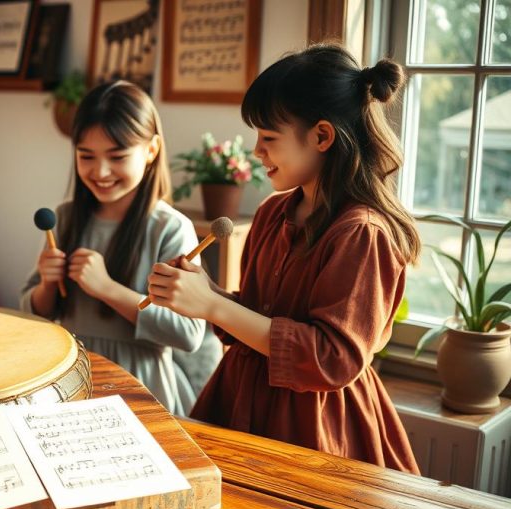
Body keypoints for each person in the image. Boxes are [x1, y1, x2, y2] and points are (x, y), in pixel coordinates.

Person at [147, 44, 421, 473]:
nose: (257, 151)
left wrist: (213, 306)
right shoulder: (273, 213)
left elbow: (332, 358)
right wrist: (207, 293)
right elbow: (261, 316)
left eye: (269, 138)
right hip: (240, 402)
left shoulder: (363, 233)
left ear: (322, 136)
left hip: (314, 427)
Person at [21, 81, 205, 415]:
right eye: (86, 156)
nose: (101, 172)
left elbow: (189, 334)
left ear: (151, 150)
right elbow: (32, 314)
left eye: (117, 156)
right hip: (71, 382)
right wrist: (48, 284)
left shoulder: (171, 229)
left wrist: (107, 289)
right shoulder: (63, 219)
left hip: (144, 389)